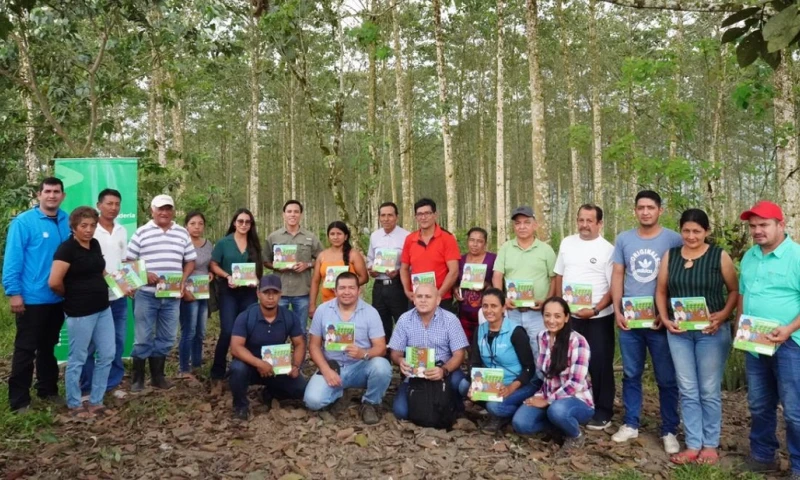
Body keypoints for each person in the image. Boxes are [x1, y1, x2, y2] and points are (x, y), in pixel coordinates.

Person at [654, 208, 739, 465]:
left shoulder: (718, 256)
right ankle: (692, 444)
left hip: (711, 333)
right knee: (688, 389)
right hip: (679, 334)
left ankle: (710, 444)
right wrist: (666, 319)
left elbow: (734, 291)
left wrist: (723, 315)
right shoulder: (671, 256)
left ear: (707, 232)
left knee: (708, 390)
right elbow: (661, 291)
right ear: (680, 230)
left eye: (697, 231)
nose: (691, 236)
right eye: (686, 230)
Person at [610, 190, 683, 453]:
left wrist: (668, 315)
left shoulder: (674, 239)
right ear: (635, 210)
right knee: (631, 374)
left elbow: (679, 276)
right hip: (630, 320)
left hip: (660, 322)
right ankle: (630, 423)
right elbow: (618, 274)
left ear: (660, 210)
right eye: (640, 207)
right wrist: (617, 309)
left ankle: (669, 429)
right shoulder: (624, 239)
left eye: (650, 207)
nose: (645, 212)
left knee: (666, 377)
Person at [737, 200, 800, 479]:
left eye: (763, 225)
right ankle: (763, 456)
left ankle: (798, 465)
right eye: (753, 226)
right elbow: (742, 294)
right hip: (755, 342)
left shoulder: (796, 257)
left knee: (795, 409)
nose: (757, 231)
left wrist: (788, 329)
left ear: (780, 225)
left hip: (789, 344)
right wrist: (740, 326)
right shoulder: (750, 256)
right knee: (759, 404)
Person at [2, 177, 71, 412]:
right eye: (48, 191)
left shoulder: (67, 221)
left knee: (48, 346)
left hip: (58, 298)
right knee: (25, 349)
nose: (52, 195)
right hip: (32, 298)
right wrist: (14, 293)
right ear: (39, 194)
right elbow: (13, 260)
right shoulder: (24, 223)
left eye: (57, 191)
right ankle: (19, 401)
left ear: (63, 195)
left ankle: (48, 389)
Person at [48, 207, 115, 418]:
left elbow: (102, 272)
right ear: (74, 227)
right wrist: (73, 295)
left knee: (107, 354)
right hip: (80, 312)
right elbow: (54, 282)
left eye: (92, 226)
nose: (88, 230)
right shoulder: (66, 249)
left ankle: (96, 401)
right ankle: (75, 403)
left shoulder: (94, 244)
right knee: (78, 358)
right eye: (83, 226)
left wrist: (121, 285)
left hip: (103, 308)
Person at [553, 204, 615, 430]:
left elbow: (614, 287)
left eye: (590, 221)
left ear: (600, 224)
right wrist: (559, 304)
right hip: (570, 317)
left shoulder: (608, 249)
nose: (584, 225)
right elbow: (559, 274)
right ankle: (573, 403)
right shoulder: (567, 243)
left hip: (598, 317)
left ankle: (603, 410)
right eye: (581, 220)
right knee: (567, 360)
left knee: (599, 363)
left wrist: (597, 309)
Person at [126, 194, 196, 392]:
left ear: (173, 211)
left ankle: (158, 377)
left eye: (168, 208)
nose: (164, 212)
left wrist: (183, 280)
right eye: (160, 209)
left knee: (167, 337)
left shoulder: (182, 233)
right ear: (152, 210)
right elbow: (128, 261)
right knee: (142, 337)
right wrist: (144, 274)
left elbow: (190, 260)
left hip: (172, 295)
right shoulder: (141, 232)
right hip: (146, 294)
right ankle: (138, 379)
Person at [304, 272, 392, 425]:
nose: (346, 292)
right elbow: (314, 345)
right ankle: (338, 392)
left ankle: (370, 402)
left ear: (359, 290)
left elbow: (381, 348)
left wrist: (363, 353)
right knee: (313, 402)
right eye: (342, 288)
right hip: (333, 367)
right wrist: (326, 370)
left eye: (351, 288)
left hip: (360, 366)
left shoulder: (371, 312)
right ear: (335, 290)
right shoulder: (323, 310)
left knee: (382, 366)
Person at [511, 297, 594, 452]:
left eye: (557, 316)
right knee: (521, 423)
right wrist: (541, 396)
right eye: (547, 315)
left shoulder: (577, 341)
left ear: (566, 317)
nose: (551, 320)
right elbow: (545, 375)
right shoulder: (542, 336)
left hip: (577, 400)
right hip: (548, 395)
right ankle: (558, 427)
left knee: (557, 410)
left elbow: (575, 383)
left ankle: (576, 436)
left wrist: (548, 400)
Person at [229, 275, 307, 420]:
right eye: (266, 293)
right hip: (250, 366)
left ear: (280, 294)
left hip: (276, 367)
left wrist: (296, 365)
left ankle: (270, 393)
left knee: (301, 389)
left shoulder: (289, 317)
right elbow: (236, 347)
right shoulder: (246, 316)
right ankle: (240, 405)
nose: (270, 297)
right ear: (258, 294)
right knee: (237, 369)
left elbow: (300, 343)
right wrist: (259, 363)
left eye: (275, 293)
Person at [459, 288, 536, 433]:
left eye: (494, 306)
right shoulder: (480, 330)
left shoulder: (516, 332)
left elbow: (529, 368)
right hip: (492, 382)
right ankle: (499, 409)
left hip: (519, 383)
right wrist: (475, 383)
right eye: (485, 306)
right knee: (463, 386)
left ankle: (509, 412)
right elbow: (474, 362)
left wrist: (511, 388)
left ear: (503, 308)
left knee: (494, 407)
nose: (489, 310)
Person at [389, 283, 470, 421]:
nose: (423, 300)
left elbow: (459, 354)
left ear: (437, 300)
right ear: (413, 299)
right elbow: (395, 353)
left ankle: (455, 405)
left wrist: (443, 370)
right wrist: (400, 361)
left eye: (428, 296)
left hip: (445, 372)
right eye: (419, 296)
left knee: (460, 383)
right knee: (400, 411)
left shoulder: (450, 320)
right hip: (416, 375)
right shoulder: (404, 320)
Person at [79, 189, 129, 396]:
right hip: (93, 298)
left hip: (117, 297)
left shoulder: (122, 230)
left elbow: (124, 262)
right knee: (89, 344)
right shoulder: (89, 230)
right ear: (99, 205)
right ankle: (87, 387)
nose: (113, 208)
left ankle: (111, 384)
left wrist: (129, 283)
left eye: (117, 204)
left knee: (117, 341)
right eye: (109, 203)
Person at [492, 206, 556, 355]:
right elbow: (497, 276)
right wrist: (502, 299)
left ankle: (539, 378)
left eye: (526, 222)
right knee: (514, 348)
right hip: (512, 310)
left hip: (538, 312)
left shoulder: (546, 250)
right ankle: (520, 378)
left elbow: (554, 279)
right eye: (517, 223)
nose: (522, 227)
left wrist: (547, 301)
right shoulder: (506, 248)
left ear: (535, 225)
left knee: (539, 349)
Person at [209, 208, 263, 383]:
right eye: (240, 221)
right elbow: (213, 264)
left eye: (247, 222)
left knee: (248, 330)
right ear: (234, 223)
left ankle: (243, 368)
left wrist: (257, 281)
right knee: (228, 330)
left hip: (249, 293)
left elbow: (259, 269)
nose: (244, 225)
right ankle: (217, 370)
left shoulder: (254, 243)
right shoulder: (224, 243)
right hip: (228, 291)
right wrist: (227, 276)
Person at [265, 200, 324, 333]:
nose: (293, 214)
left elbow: (322, 260)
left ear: (301, 215)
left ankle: (299, 354)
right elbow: (265, 260)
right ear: (283, 215)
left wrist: (307, 264)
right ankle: (280, 354)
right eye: (289, 211)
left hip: (302, 292)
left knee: (301, 330)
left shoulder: (310, 237)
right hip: (280, 291)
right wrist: (276, 266)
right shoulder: (273, 237)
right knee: (277, 330)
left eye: (296, 212)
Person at [399, 198, 461, 314]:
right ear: (416, 217)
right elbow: (404, 268)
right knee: (414, 331)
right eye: (420, 214)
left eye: (427, 213)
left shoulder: (447, 239)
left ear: (435, 215)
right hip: (417, 298)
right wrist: (407, 290)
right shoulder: (410, 239)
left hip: (442, 299)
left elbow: (454, 271)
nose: (423, 217)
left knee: (441, 332)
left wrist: (438, 294)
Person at [178, 211, 214, 380]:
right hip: (188, 292)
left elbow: (210, 265)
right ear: (186, 225)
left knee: (201, 331)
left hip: (203, 291)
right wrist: (184, 289)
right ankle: (184, 367)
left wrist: (211, 273)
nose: (197, 227)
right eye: (193, 223)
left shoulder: (208, 245)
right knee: (189, 330)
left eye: (200, 223)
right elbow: (177, 267)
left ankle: (197, 364)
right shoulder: (181, 244)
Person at [367, 202, 410, 341]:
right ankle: (384, 357)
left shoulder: (406, 236)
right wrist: (371, 269)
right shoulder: (375, 236)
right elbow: (370, 259)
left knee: (403, 321)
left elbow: (410, 264)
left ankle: (403, 356)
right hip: (379, 286)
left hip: (398, 285)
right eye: (383, 215)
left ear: (396, 217)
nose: (386, 219)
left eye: (390, 215)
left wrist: (398, 272)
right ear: (379, 217)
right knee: (380, 323)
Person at [309, 221, 368, 318]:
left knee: (347, 332)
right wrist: (312, 305)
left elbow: (364, 278)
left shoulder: (353, 255)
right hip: (327, 304)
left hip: (349, 304)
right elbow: (315, 281)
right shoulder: (322, 256)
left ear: (345, 236)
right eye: (332, 234)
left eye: (339, 234)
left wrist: (344, 287)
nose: (335, 237)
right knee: (329, 331)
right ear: (328, 237)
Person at [453, 227, 497, 343]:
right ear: (467, 241)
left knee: (485, 341)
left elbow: (498, 284)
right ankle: (470, 361)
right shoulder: (461, 260)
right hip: (464, 310)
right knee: (466, 341)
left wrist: (486, 285)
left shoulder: (493, 259)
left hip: (485, 311)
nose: (475, 244)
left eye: (479, 241)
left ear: (485, 243)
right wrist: (455, 290)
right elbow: (456, 282)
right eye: (472, 240)